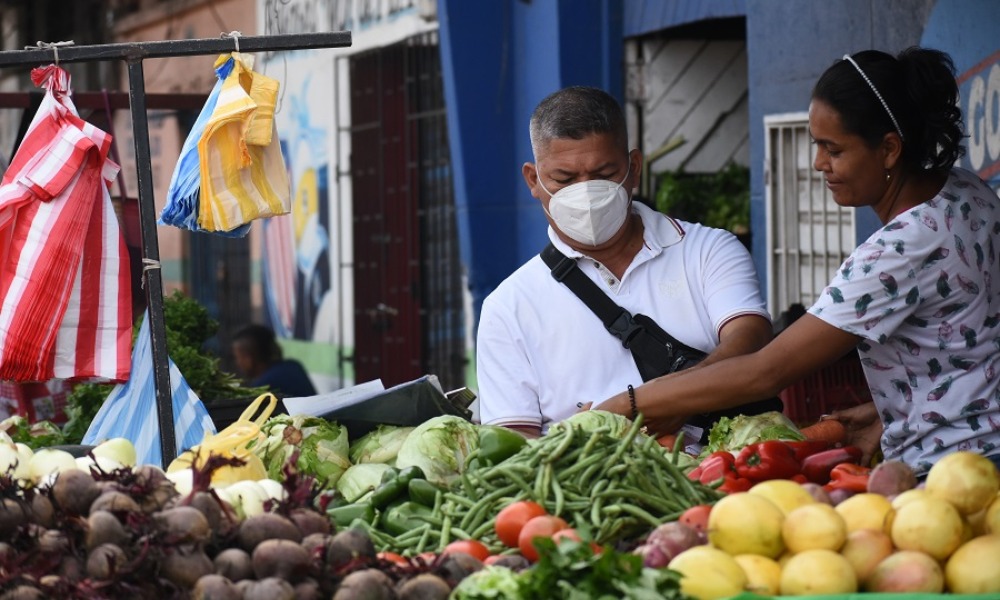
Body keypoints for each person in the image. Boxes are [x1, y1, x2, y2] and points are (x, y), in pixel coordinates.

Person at [596, 47, 1000, 476]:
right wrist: (885, 411)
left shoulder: (896, 253)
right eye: (816, 145)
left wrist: (629, 403)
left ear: (888, 149)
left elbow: (765, 371)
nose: (818, 164)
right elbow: (965, 340)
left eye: (834, 149)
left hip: (952, 467)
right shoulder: (967, 194)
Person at [475, 86, 775, 438]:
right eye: (565, 179)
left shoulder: (708, 250)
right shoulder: (508, 308)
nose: (586, 193)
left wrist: (661, 402)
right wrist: (592, 435)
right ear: (533, 180)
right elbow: (515, 445)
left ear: (634, 169)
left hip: (724, 477)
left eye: (603, 173)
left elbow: (750, 343)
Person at [231, 324, 317, 398]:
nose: (237, 363)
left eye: (238, 357)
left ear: (249, 358)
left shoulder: (263, 386)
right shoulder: (293, 366)